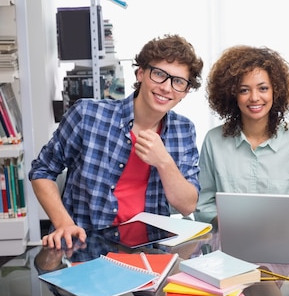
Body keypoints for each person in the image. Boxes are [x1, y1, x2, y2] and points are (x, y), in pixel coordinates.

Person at [29, 34, 204, 250]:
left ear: (185, 91)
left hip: (147, 252)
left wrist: (163, 162)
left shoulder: (184, 130)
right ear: (141, 73)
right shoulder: (87, 115)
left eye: (178, 81)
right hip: (86, 248)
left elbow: (187, 206)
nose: (167, 88)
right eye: (159, 74)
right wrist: (64, 224)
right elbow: (42, 170)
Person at [194, 45, 289, 226]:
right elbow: (203, 207)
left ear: (276, 91)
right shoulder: (213, 141)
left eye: (263, 88)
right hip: (228, 245)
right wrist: (235, 225)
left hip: (282, 245)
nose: (255, 97)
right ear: (232, 94)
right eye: (244, 90)